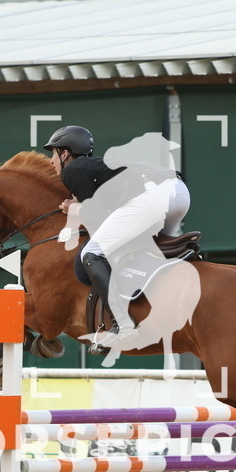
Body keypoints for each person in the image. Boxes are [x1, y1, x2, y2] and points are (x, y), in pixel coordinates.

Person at [44, 125, 190, 348]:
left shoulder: (72, 170)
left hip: (152, 196)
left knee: (91, 254)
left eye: (53, 154)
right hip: (179, 192)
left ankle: (122, 324)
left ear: (65, 154)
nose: (51, 161)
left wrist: (75, 209)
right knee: (150, 249)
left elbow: (97, 216)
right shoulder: (96, 168)